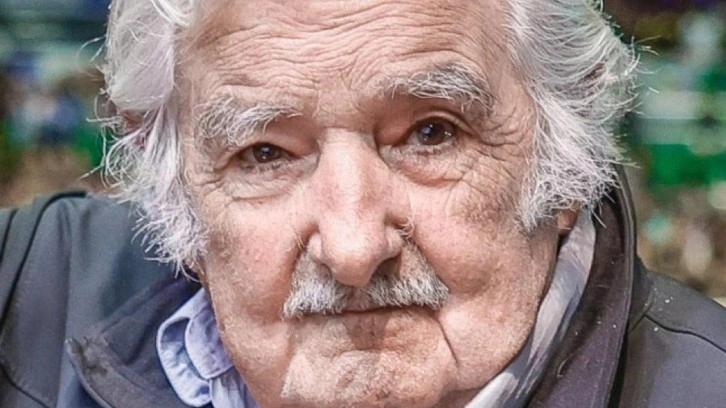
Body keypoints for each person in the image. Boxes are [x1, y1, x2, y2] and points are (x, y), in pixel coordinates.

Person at [1, 0, 725, 407]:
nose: (352, 250)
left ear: (564, 167)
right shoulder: (32, 295)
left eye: (432, 134)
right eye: (265, 153)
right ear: (177, 191)